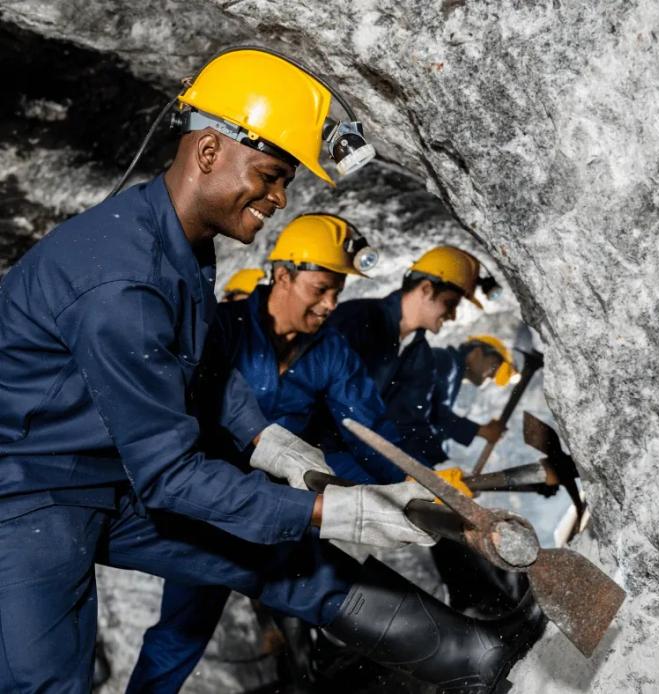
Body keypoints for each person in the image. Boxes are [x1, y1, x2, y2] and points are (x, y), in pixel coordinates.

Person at [0, 47, 543, 694]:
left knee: (277, 557)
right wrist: (327, 510)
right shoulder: (121, 285)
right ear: (208, 152)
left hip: (112, 473)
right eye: (269, 174)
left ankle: (473, 659)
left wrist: (266, 440)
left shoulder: (175, 242)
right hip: (27, 493)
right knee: (47, 681)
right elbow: (171, 474)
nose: (279, 198)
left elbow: (201, 365)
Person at [127, 213, 410, 692]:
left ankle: (310, 678)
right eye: (320, 288)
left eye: (337, 292)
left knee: (320, 592)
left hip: (286, 502)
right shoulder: (222, 327)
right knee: (183, 630)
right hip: (212, 504)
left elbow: (368, 428)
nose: (330, 304)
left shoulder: (332, 350)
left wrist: (411, 486)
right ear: (283, 275)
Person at [326, 245, 506, 465]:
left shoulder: (421, 357)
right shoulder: (356, 319)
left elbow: (410, 422)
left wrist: (435, 472)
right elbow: (312, 391)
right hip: (312, 449)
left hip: (353, 457)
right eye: (449, 304)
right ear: (426, 289)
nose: (452, 315)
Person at [428, 335, 517, 464]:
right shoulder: (445, 360)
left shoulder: (452, 373)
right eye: (494, 366)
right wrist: (481, 431)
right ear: (476, 353)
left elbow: (434, 422)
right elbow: (433, 414)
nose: (492, 376)